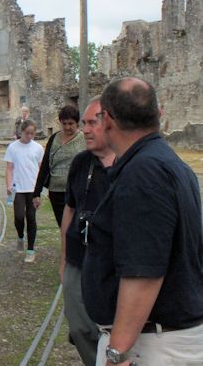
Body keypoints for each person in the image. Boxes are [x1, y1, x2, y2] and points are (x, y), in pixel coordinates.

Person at [82, 78, 203, 366]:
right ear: (158, 115)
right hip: (159, 338)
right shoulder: (168, 163)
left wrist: (118, 351)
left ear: (106, 119)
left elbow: (143, 273)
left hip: (150, 345)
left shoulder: (143, 173)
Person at [59, 98, 114, 366]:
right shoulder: (81, 162)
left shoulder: (131, 165)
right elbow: (69, 210)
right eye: (85, 123)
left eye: (93, 123)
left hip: (112, 264)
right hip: (78, 259)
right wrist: (63, 260)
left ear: (111, 124)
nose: (86, 130)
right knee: (79, 328)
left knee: (110, 328)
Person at [32, 105, 85, 227]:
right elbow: (45, 165)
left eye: (71, 124)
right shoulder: (54, 139)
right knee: (63, 226)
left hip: (77, 189)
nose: (67, 127)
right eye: (64, 123)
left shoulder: (84, 139)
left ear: (77, 123)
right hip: (56, 191)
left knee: (76, 226)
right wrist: (36, 193)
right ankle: (66, 245)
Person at [4, 120, 43, 263]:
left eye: (33, 133)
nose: (30, 136)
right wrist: (8, 184)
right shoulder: (13, 148)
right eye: (28, 133)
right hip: (18, 188)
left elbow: (40, 168)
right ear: (21, 131)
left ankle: (31, 250)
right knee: (19, 216)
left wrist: (41, 188)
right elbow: (9, 167)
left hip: (32, 189)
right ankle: (20, 236)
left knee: (31, 218)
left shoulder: (38, 148)